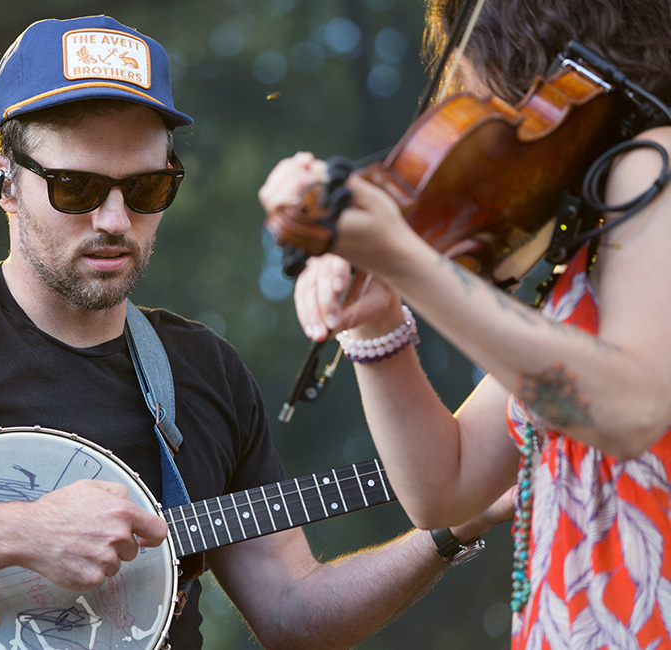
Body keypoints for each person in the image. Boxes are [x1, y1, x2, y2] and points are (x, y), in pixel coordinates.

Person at [0, 15, 507, 650]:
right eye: (74, 186)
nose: (113, 220)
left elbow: (294, 611)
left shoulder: (204, 372)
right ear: (1, 182)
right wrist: (24, 531)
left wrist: (449, 524)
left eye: (147, 187)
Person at [259, 0, 671, 648]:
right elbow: (444, 488)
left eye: (470, 79)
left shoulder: (657, 163)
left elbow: (631, 407)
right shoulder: (583, 260)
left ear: (525, 50)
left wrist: (407, 258)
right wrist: (376, 322)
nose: (467, 112)